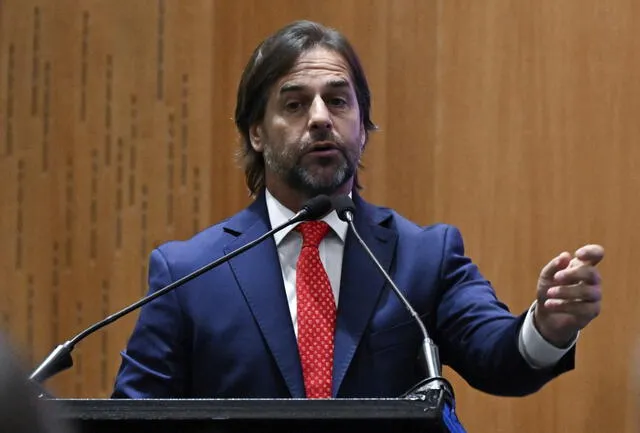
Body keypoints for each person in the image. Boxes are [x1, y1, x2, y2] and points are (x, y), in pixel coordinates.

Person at [112, 20, 603, 399]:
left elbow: (499, 358)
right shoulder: (188, 274)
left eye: (339, 101)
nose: (321, 118)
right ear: (256, 133)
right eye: (295, 104)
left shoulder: (423, 257)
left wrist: (547, 326)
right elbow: (135, 415)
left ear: (363, 125)